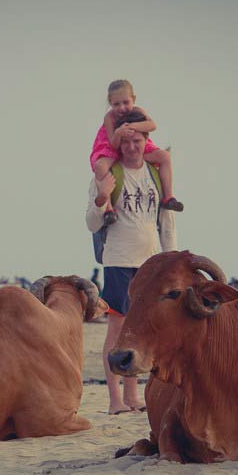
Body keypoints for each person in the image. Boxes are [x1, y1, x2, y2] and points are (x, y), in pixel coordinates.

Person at [86, 109, 176, 415]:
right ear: (117, 143)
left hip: (150, 263)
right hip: (118, 262)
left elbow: (166, 220)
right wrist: (102, 198)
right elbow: (91, 223)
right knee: (117, 330)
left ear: (146, 140)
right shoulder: (108, 174)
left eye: (136, 140)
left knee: (142, 331)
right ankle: (115, 401)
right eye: (125, 141)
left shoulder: (155, 173)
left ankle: (134, 397)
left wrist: (170, 258)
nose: (131, 147)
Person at [90, 79, 182, 226]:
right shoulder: (109, 117)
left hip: (133, 149)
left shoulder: (138, 112)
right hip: (113, 147)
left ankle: (168, 198)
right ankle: (108, 209)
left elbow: (152, 125)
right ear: (110, 103)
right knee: (100, 166)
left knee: (164, 156)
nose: (122, 108)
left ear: (133, 99)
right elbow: (113, 143)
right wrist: (119, 132)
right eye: (116, 104)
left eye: (126, 102)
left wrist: (133, 126)